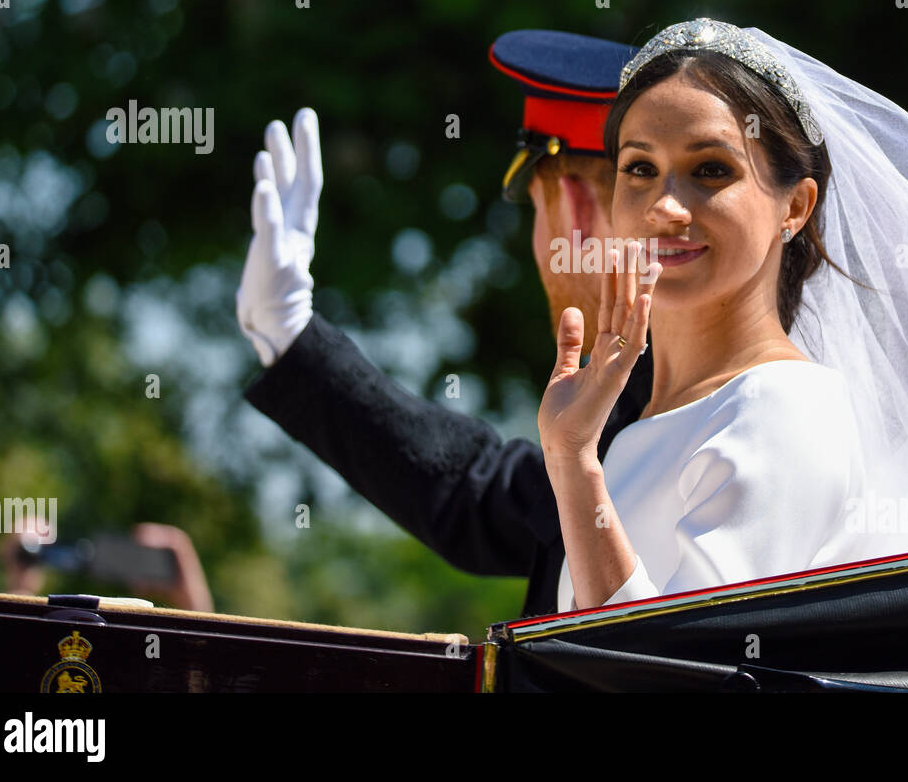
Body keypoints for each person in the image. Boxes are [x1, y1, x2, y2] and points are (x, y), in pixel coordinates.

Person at [536, 18, 908, 611]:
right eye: (639, 169)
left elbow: (666, 668)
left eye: (712, 169)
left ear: (796, 206)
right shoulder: (635, 428)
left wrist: (572, 463)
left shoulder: (780, 406)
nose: (667, 207)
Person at [236, 30, 650, 618]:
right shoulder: (650, 386)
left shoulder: (661, 393)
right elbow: (478, 495)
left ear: (576, 208)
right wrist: (293, 335)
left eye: (537, 207)